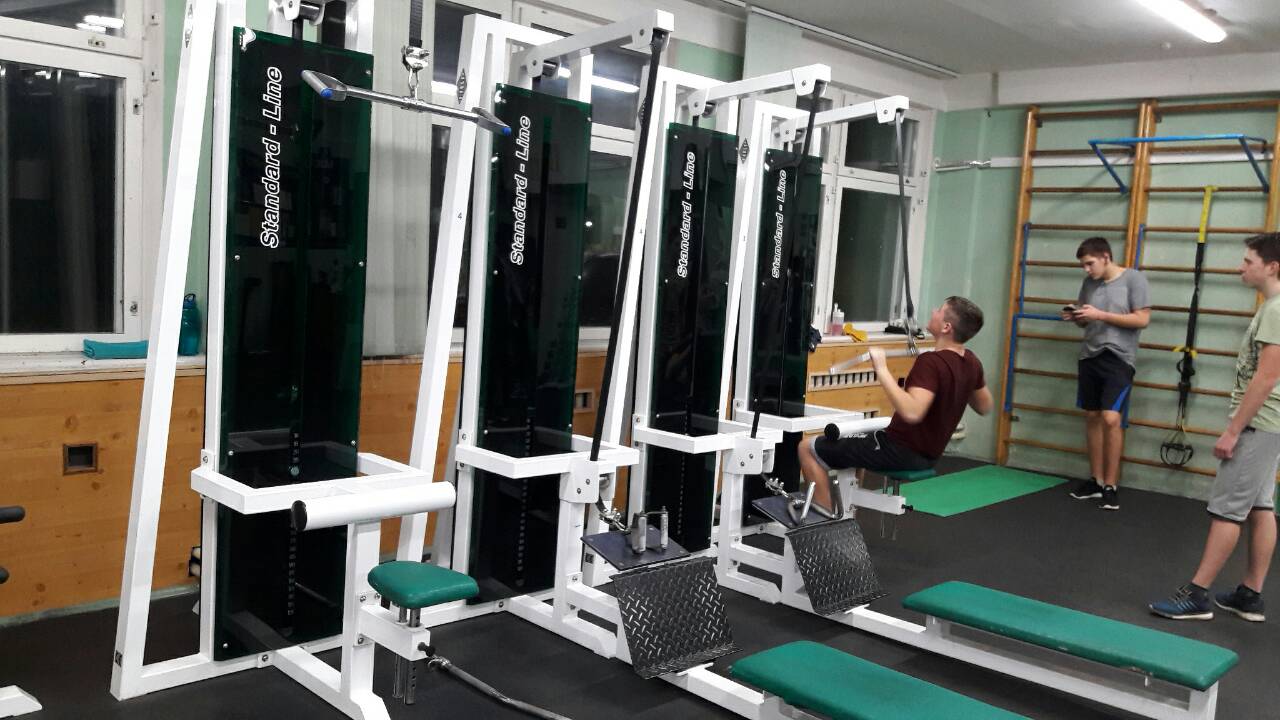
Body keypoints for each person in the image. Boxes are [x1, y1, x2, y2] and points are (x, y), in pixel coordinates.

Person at [1149, 233, 1280, 623]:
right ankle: (1249, 595)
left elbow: (1267, 377)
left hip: (1258, 424)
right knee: (1260, 507)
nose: (1241, 267)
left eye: (1248, 261)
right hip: (1269, 425)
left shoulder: (1276, 310)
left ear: (1272, 267)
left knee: (1227, 511)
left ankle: (1196, 595)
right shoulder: (1272, 307)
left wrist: (1234, 429)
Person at [797, 296, 993, 515]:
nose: (933, 311)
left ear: (946, 327)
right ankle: (844, 516)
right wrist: (962, 382)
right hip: (928, 456)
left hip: (899, 450)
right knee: (856, 442)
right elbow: (985, 406)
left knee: (808, 448)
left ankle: (823, 521)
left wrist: (881, 369)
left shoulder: (931, 362)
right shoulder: (971, 362)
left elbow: (912, 412)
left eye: (939, 310)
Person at [1061, 237, 1151, 511]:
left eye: (1090, 263)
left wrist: (1100, 315)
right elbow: (1087, 319)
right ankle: (1096, 481)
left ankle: (1111, 485)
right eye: (1083, 265)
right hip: (1090, 355)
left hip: (1119, 358)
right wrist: (1077, 317)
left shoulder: (1134, 279)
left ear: (1106, 257)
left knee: (1111, 418)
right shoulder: (1089, 283)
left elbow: (1142, 319)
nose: (1087, 269)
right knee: (1092, 416)